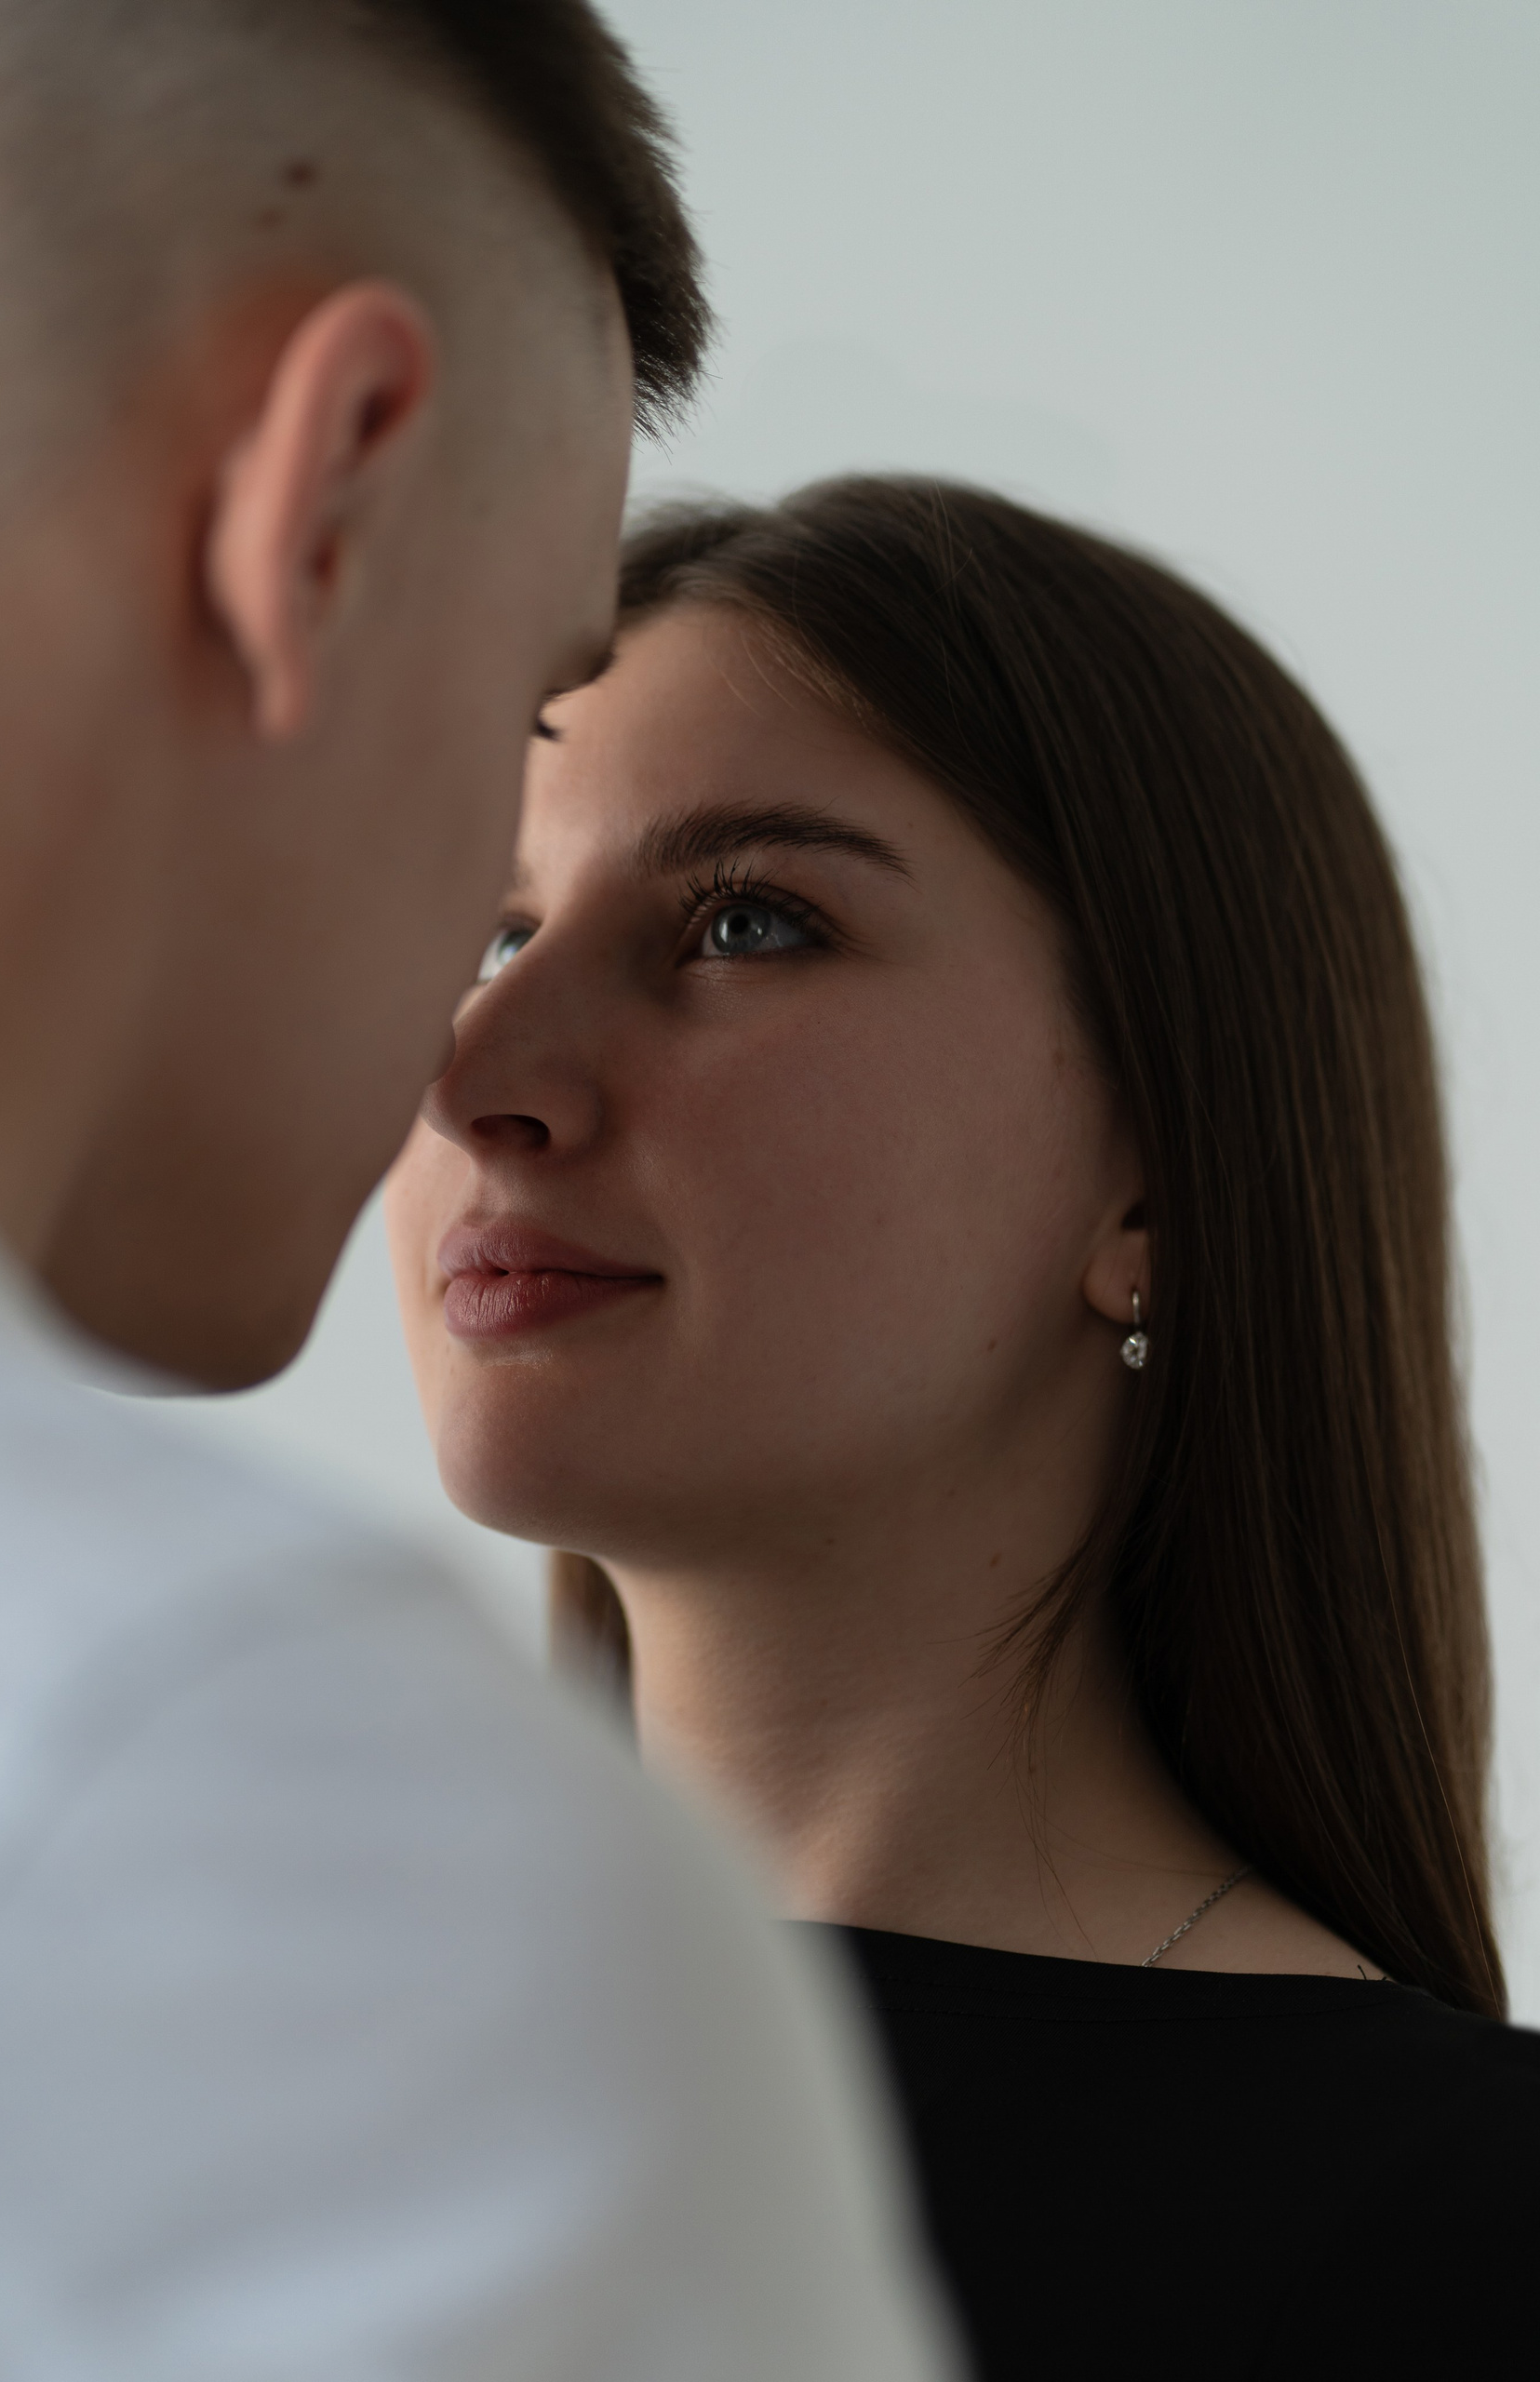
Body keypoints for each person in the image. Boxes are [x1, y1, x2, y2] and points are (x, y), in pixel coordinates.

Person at [0, 7, 953, 2376]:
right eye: (516, 720)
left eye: (746, 924)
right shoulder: (276, 1849)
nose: (474, 1070)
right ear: (325, 506)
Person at [387, 475, 1540, 2378]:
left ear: (1157, 1184)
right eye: (493, 934)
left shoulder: (1473, 2239)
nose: (470, 1071)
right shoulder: (224, 2084)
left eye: (745, 922)